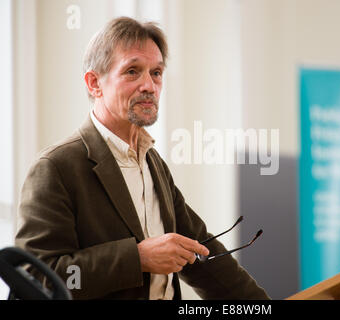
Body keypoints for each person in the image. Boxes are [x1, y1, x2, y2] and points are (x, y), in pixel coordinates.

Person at [15, 16, 269, 300]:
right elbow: (35, 277)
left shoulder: (153, 163)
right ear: (94, 83)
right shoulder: (56, 167)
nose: (149, 85)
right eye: (133, 71)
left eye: (156, 72)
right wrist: (135, 259)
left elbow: (204, 258)